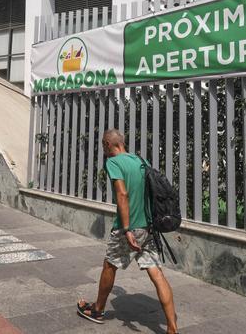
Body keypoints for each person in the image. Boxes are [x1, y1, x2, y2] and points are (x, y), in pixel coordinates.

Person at [77, 129, 179, 334]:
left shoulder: (113, 163)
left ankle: (97, 310)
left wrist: (127, 229)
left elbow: (122, 194)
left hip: (129, 226)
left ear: (108, 144)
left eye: (103, 146)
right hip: (149, 227)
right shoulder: (141, 162)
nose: (103, 150)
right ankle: (172, 328)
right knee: (156, 273)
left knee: (109, 266)